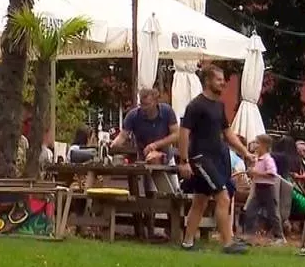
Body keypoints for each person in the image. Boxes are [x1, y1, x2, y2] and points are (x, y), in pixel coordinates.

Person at [178, 65, 256, 254]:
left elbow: (227, 133)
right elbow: (184, 133)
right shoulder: (195, 106)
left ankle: (187, 242)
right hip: (201, 158)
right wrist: (183, 161)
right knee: (223, 197)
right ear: (208, 81)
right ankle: (228, 243)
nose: (223, 83)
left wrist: (245, 152)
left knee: (200, 200)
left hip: (218, 157)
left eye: (223, 80)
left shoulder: (219, 106)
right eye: (219, 79)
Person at [112, 88, 180, 163]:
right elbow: (122, 136)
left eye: (147, 104)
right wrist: (112, 145)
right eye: (141, 104)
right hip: (143, 159)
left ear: (156, 102)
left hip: (166, 157)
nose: (144, 108)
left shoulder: (167, 111)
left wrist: (155, 145)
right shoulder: (133, 116)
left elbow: (176, 134)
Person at [242, 134, 285, 244]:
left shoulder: (268, 159)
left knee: (272, 213)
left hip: (268, 189)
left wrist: (257, 173)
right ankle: (248, 235)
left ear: (264, 145)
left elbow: (272, 174)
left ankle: (279, 237)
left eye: (257, 143)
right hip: (258, 188)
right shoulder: (257, 159)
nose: (255, 145)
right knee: (250, 211)